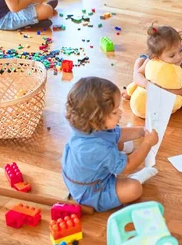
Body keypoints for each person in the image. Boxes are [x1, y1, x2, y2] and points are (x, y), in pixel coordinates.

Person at [62, 77, 159, 212]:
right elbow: (129, 165)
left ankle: (126, 147)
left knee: (112, 137)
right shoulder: (96, 149)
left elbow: (117, 133)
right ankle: (135, 179)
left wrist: (142, 131)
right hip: (93, 192)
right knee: (135, 189)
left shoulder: (87, 126)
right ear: (95, 118)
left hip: (87, 177)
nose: (120, 113)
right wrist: (147, 143)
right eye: (114, 112)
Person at [127, 24, 182, 111]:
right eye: (172, 55)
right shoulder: (152, 59)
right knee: (140, 60)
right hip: (157, 77)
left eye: (180, 50)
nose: (179, 56)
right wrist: (146, 84)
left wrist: (166, 91)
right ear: (157, 57)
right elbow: (138, 74)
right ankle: (136, 89)